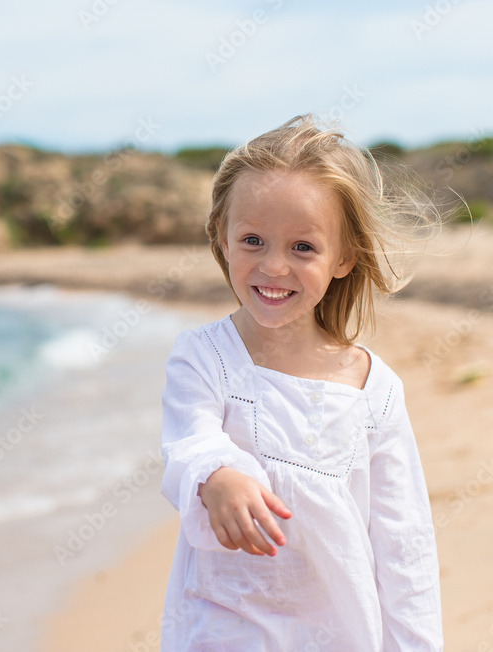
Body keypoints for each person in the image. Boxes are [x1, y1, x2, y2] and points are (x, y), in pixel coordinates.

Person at [159, 115, 447, 651]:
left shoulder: (374, 391)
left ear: (344, 258)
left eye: (302, 248)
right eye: (253, 240)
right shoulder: (204, 357)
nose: (273, 266)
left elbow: (403, 544)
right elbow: (189, 441)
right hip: (224, 628)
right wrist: (217, 474)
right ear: (222, 239)